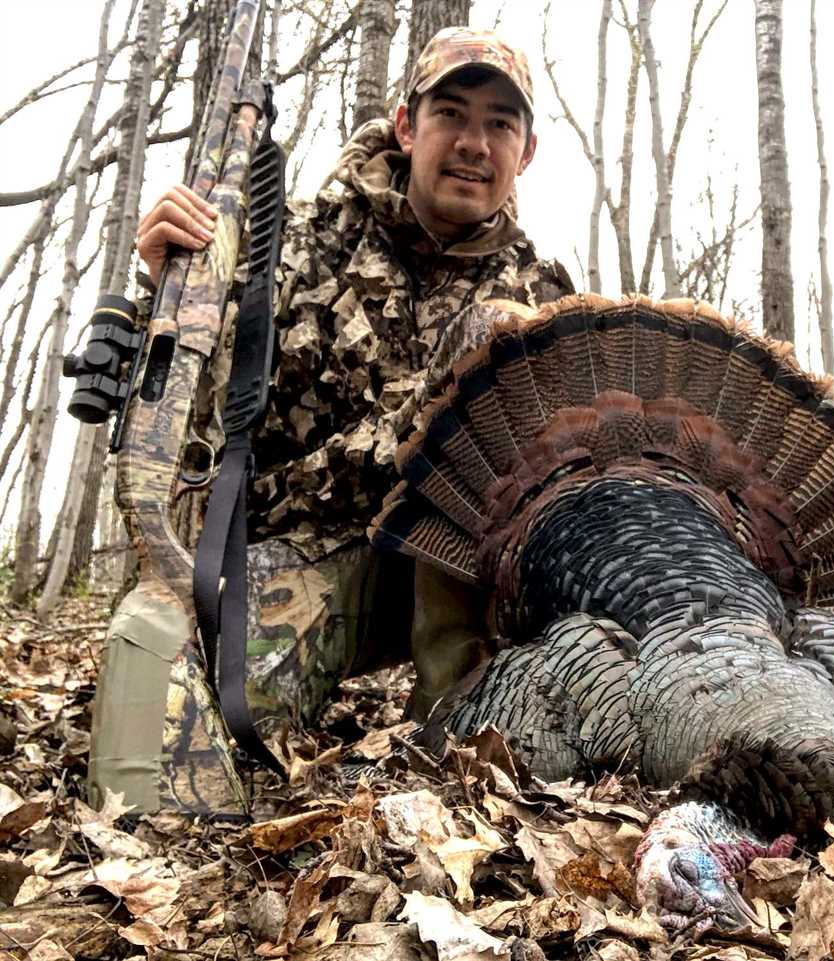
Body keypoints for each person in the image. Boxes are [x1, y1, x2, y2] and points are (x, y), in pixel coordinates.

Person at [88, 28, 575, 814]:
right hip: (315, 552)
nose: (475, 144)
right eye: (451, 113)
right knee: (152, 659)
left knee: (497, 335)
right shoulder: (292, 240)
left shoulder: (547, 295)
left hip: (477, 591)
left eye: (500, 123)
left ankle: (454, 756)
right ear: (406, 125)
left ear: (526, 152)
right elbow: (200, 420)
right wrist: (170, 293)